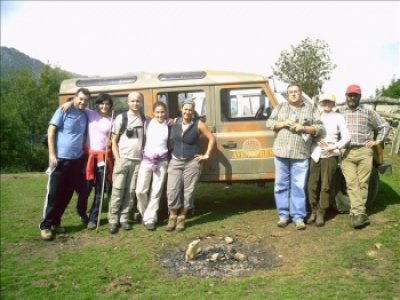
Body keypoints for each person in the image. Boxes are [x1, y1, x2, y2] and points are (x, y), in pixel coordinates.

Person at [266, 83, 323, 230]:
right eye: (290, 92)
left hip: (301, 154)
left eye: (296, 91)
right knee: (281, 185)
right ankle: (283, 216)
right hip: (281, 152)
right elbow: (269, 123)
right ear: (287, 94)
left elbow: (320, 127)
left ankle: (298, 217)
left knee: (298, 186)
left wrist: (303, 127)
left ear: (300, 93)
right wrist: (283, 123)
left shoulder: (310, 108)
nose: (293, 94)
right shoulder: (280, 107)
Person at [39, 88, 90, 241]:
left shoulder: (85, 114)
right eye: (80, 99)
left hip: (77, 160)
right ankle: (45, 226)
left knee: (66, 194)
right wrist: (52, 154)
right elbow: (51, 130)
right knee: (54, 194)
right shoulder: (63, 110)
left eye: (86, 100)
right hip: (60, 159)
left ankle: (56, 222)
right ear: (75, 98)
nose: (82, 102)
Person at [339, 84, 389, 229]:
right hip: (346, 152)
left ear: (359, 97)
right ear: (346, 96)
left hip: (364, 151)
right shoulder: (340, 112)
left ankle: (357, 214)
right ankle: (360, 213)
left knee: (363, 183)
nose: (352, 97)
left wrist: (377, 141)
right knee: (351, 183)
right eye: (350, 95)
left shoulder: (368, 112)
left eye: (355, 95)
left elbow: (384, 126)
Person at [63, 94, 114, 230]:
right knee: (85, 188)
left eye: (107, 104)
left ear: (110, 106)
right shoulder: (90, 113)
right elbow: (78, 105)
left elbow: (114, 139)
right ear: (97, 104)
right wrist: (68, 103)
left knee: (100, 190)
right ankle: (81, 210)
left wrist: (110, 142)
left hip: (103, 158)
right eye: (102, 104)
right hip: (88, 157)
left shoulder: (111, 120)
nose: (104, 106)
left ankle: (93, 218)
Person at [166, 98, 216, 232]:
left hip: (192, 162)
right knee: (172, 189)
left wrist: (206, 155)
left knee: (189, 191)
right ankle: (172, 216)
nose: (187, 112)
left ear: (193, 111)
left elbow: (211, 138)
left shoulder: (199, 124)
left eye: (190, 110)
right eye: (185, 109)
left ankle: (182, 217)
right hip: (176, 160)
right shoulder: (174, 122)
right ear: (181, 109)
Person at [307, 93, 350, 227]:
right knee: (311, 184)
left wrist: (334, 146)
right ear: (320, 103)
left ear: (333, 104)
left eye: (329, 102)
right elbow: (308, 132)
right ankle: (313, 210)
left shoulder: (338, 117)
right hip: (315, 153)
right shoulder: (316, 116)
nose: (326, 104)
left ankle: (321, 212)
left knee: (326, 185)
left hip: (331, 154)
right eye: (324, 102)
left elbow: (346, 136)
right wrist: (315, 139)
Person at [108, 92, 146, 234]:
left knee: (130, 192)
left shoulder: (144, 119)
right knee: (118, 190)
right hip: (123, 159)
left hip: (138, 161)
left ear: (141, 102)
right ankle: (113, 220)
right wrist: (118, 159)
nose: (135, 103)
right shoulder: (121, 118)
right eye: (132, 101)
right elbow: (113, 141)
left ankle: (124, 218)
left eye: (138, 101)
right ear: (128, 102)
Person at [136, 101, 169, 231]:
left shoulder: (169, 124)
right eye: (157, 112)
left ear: (165, 112)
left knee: (156, 191)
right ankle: (145, 214)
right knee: (140, 190)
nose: (160, 115)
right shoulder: (147, 123)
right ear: (153, 113)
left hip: (162, 161)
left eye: (162, 112)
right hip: (147, 160)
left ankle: (150, 218)